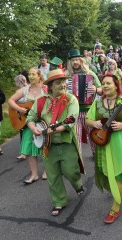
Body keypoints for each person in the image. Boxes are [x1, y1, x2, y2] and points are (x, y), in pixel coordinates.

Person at [26, 69, 85, 216]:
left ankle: (77, 184)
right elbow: (30, 117)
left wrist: (53, 130)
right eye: (59, 83)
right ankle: (59, 202)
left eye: (64, 82)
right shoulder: (41, 101)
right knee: (52, 176)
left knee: (71, 171)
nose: (63, 85)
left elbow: (70, 120)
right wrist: (33, 128)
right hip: (48, 146)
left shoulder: (71, 99)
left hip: (66, 143)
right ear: (50, 86)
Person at [85, 73, 122, 224]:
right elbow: (88, 119)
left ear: (116, 85)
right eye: (103, 83)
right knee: (107, 171)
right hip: (103, 143)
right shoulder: (97, 102)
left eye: (108, 83)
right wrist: (94, 123)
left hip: (121, 143)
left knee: (120, 172)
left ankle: (115, 208)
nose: (105, 85)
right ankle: (119, 191)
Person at [8, 69, 48, 183]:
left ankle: (46, 171)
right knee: (29, 148)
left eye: (33, 74)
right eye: (29, 74)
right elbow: (10, 100)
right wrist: (19, 109)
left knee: (45, 146)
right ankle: (34, 174)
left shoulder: (46, 89)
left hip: (43, 122)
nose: (30, 76)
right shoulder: (25, 90)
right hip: (28, 124)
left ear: (39, 76)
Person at [65, 49, 102, 155]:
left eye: (77, 60)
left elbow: (102, 90)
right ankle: (78, 161)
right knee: (76, 137)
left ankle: (96, 155)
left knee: (92, 135)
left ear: (81, 61)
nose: (75, 62)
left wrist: (96, 89)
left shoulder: (90, 73)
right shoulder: (67, 76)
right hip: (74, 111)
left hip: (88, 111)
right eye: (73, 60)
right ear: (70, 63)